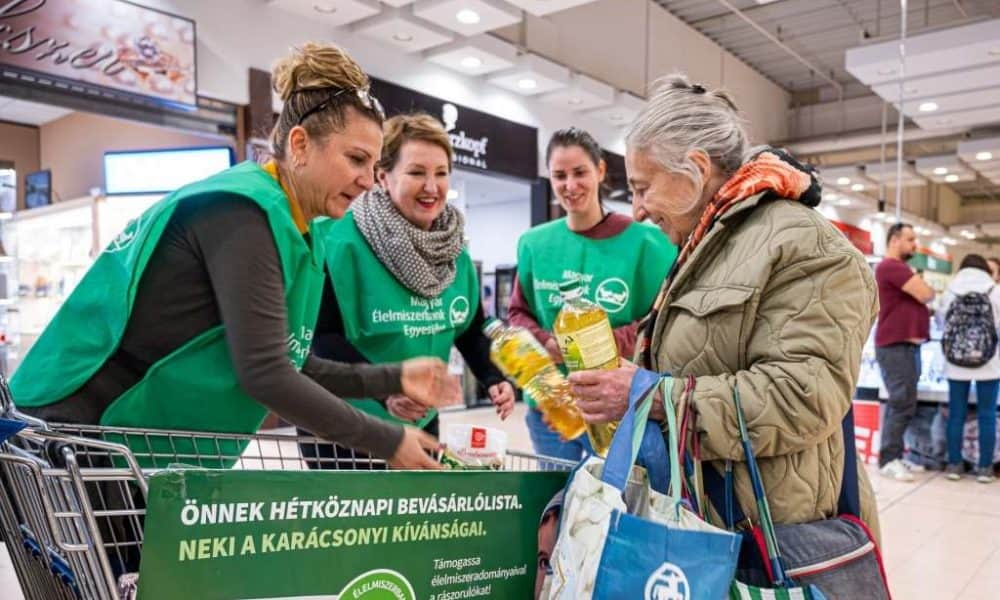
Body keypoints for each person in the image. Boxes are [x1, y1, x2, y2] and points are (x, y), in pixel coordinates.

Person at [9, 42, 446, 470]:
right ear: (299, 145)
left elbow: (293, 362)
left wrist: (393, 376)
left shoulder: (304, 231)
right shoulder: (243, 213)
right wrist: (386, 440)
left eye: (374, 165)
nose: (369, 180)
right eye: (356, 159)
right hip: (78, 431)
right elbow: (266, 374)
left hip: (125, 441)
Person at [566, 74, 880, 540]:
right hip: (704, 526)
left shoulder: (806, 247)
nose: (637, 210)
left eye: (643, 187)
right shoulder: (708, 247)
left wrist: (651, 396)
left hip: (770, 536)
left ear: (694, 167)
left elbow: (803, 397)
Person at [301, 113, 515, 469]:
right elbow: (319, 339)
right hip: (346, 425)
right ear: (383, 176)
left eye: (441, 173)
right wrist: (387, 391)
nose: (432, 186)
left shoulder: (453, 250)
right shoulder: (338, 240)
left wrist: (494, 377)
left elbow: (469, 327)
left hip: (420, 421)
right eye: (417, 172)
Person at [509, 127, 676, 461]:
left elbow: (662, 318)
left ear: (600, 171)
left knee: (620, 501)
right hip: (550, 408)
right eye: (559, 176)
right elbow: (518, 313)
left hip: (616, 404)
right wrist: (548, 343)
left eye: (580, 173)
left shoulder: (647, 242)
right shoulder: (534, 244)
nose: (570, 186)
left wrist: (599, 345)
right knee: (557, 503)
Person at [874, 222, 935, 481]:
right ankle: (888, 459)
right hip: (895, 346)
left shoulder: (899, 268)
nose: (914, 244)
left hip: (906, 347)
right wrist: (926, 291)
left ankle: (897, 455)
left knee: (906, 403)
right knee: (900, 403)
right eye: (910, 239)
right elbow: (925, 294)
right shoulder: (891, 267)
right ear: (894, 240)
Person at [936, 254, 999, 483]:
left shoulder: (950, 290)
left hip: (955, 363)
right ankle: (984, 468)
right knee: (987, 415)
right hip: (989, 363)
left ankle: (954, 465)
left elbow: (942, 324)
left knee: (956, 414)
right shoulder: (995, 290)